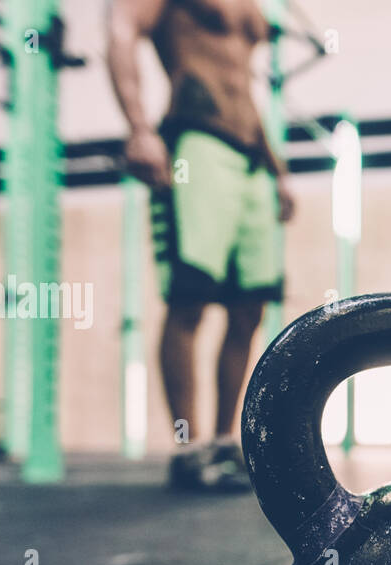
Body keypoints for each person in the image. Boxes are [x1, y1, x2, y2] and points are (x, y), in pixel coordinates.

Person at [106, 0, 296, 489]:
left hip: (251, 154)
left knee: (250, 307)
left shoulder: (253, 7)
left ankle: (221, 443)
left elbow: (245, 84)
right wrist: (139, 129)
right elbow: (121, 30)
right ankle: (188, 449)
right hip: (197, 142)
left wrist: (278, 170)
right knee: (190, 300)